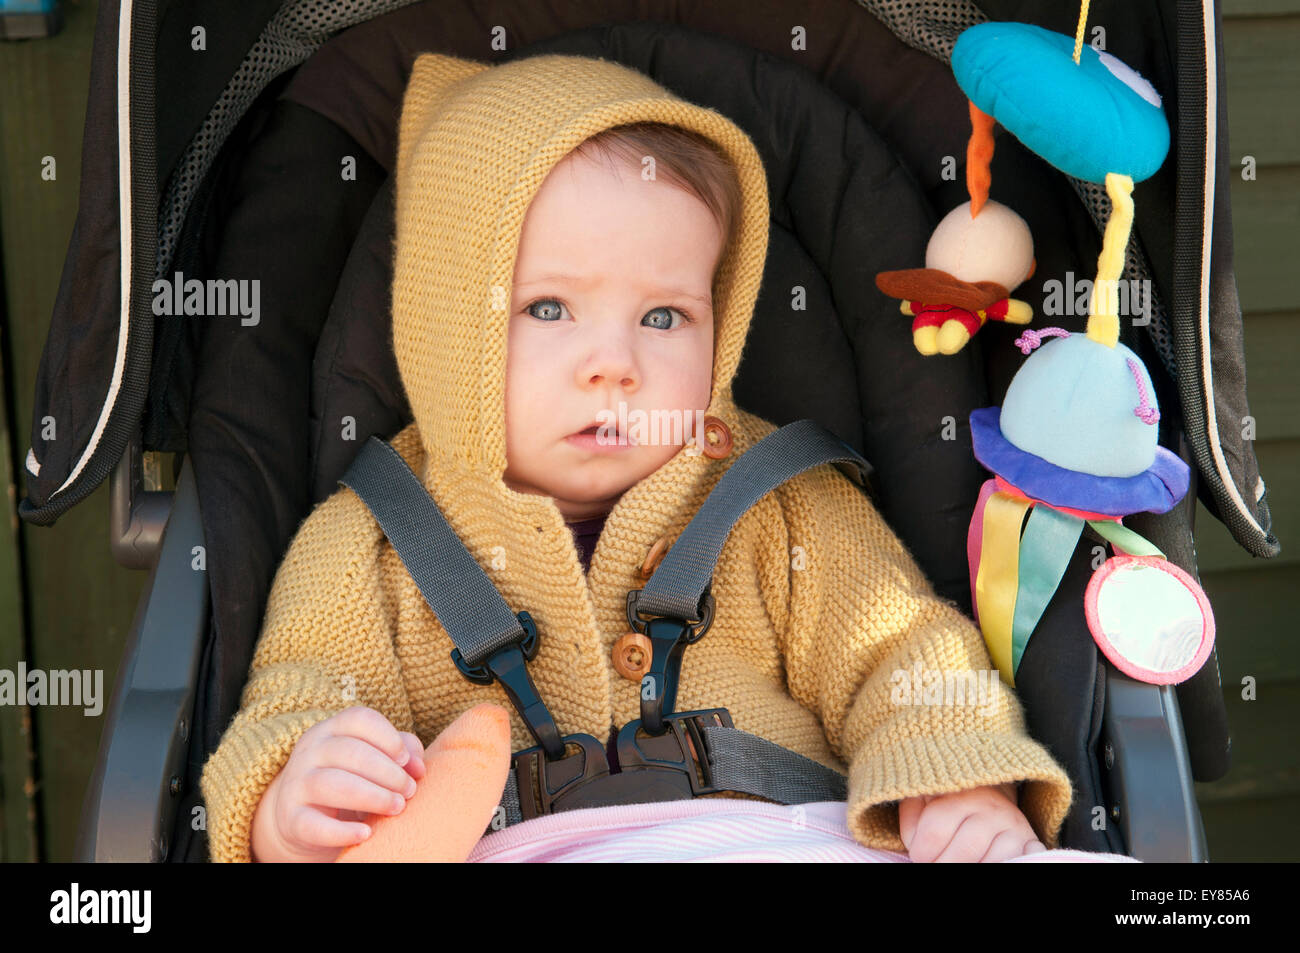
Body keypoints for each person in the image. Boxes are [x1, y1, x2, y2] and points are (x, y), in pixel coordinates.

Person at [200, 51, 1091, 864]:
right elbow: (299, 694)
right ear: (446, 323)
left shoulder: (783, 504)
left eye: (663, 317)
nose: (615, 364)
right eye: (549, 308)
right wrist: (295, 797)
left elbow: (901, 649)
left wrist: (952, 774)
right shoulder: (371, 541)